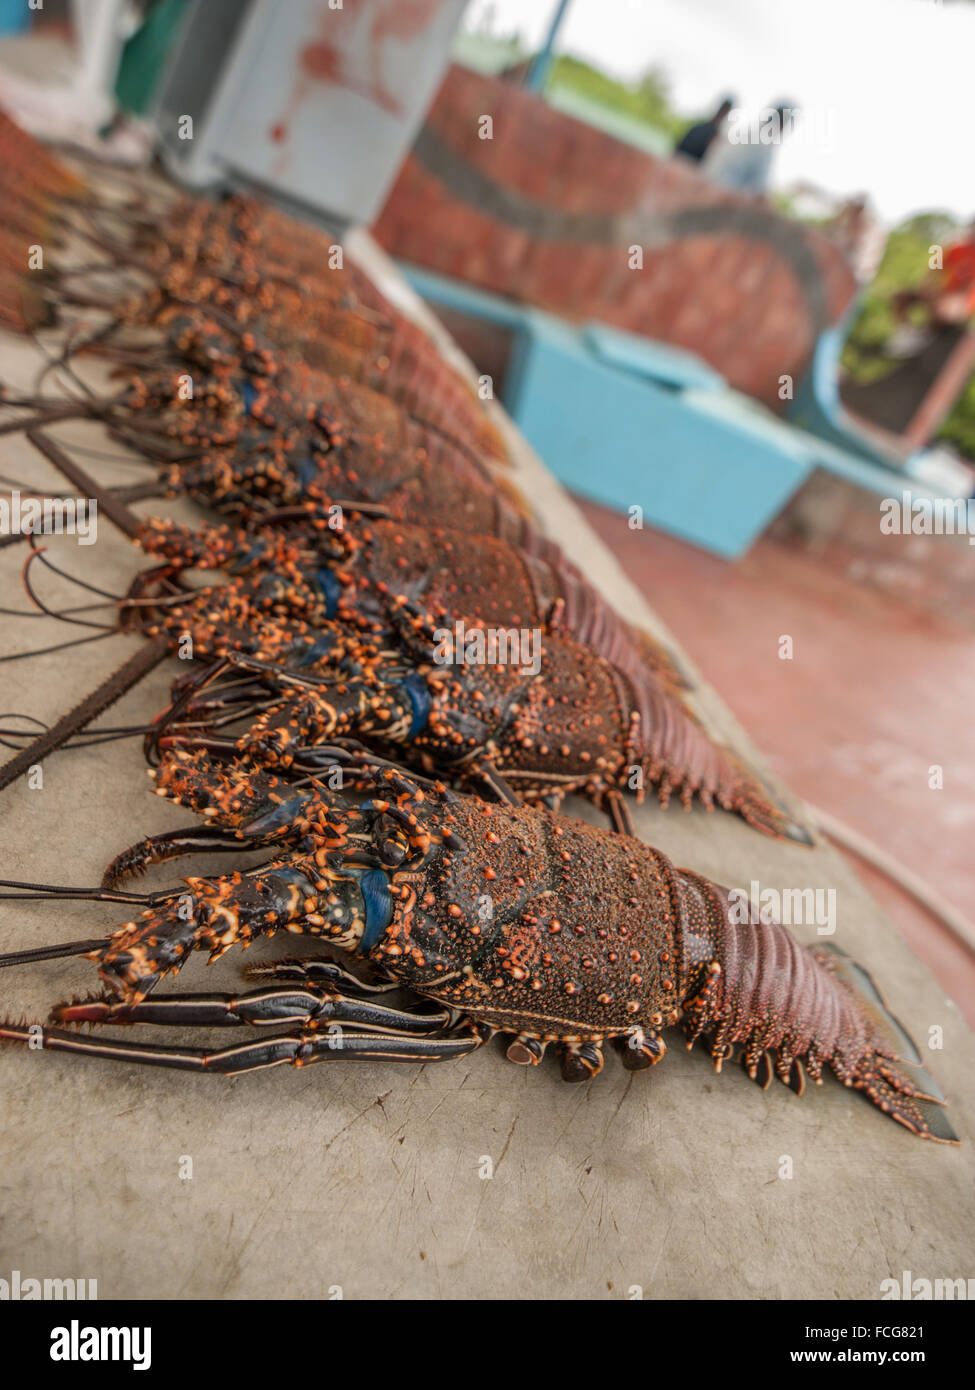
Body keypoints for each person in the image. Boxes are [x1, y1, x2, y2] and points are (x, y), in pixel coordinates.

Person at [704, 100, 796, 196]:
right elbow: (760, 193)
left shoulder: (749, 135)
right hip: (720, 197)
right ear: (783, 125)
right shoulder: (764, 144)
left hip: (706, 186)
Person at [673, 95, 734, 164]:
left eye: (725, 111)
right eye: (723, 110)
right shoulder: (698, 128)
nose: (722, 114)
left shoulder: (716, 139)